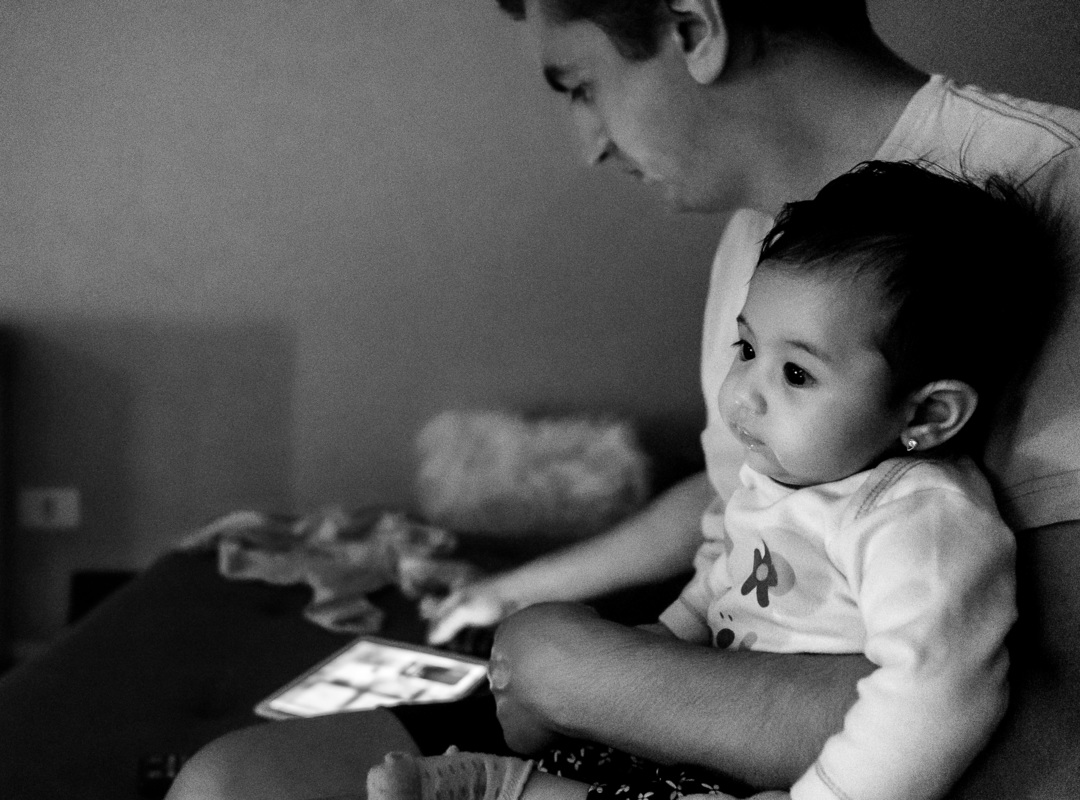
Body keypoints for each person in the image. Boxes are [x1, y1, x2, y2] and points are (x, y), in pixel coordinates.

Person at [166, 2, 1080, 798]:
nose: (589, 141)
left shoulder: (1056, 200)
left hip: (850, 747)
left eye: (578, 84)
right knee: (226, 781)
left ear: (695, 27)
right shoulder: (759, 236)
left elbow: (1031, 715)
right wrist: (522, 595)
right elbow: (737, 494)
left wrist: (581, 673)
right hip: (681, 681)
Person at [364, 160, 1061, 800]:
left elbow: (934, 692)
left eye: (796, 373)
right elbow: (724, 574)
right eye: (747, 348)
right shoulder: (788, 470)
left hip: (806, 767)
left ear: (929, 414)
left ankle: (504, 788)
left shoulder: (917, 518)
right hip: (708, 716)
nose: (743, 396)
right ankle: (513, 780)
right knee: (579, 703)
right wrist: (664, 638)